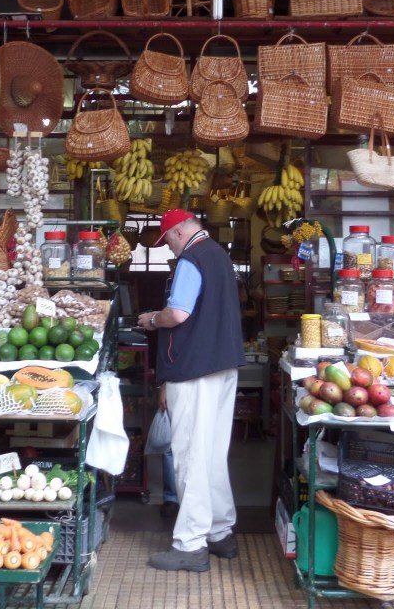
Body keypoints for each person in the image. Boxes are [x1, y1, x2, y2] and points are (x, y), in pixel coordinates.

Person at [138, 209, 246, 572]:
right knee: (213, 452)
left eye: (167, 238)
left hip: (194, 369)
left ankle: (190, 545)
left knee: (190, 455)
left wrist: (153, 319)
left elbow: (179, 314)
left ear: (181, 230)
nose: (168, 247)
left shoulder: (191, 259)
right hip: (223, 366)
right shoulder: (218, 255)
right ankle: (220, 533)